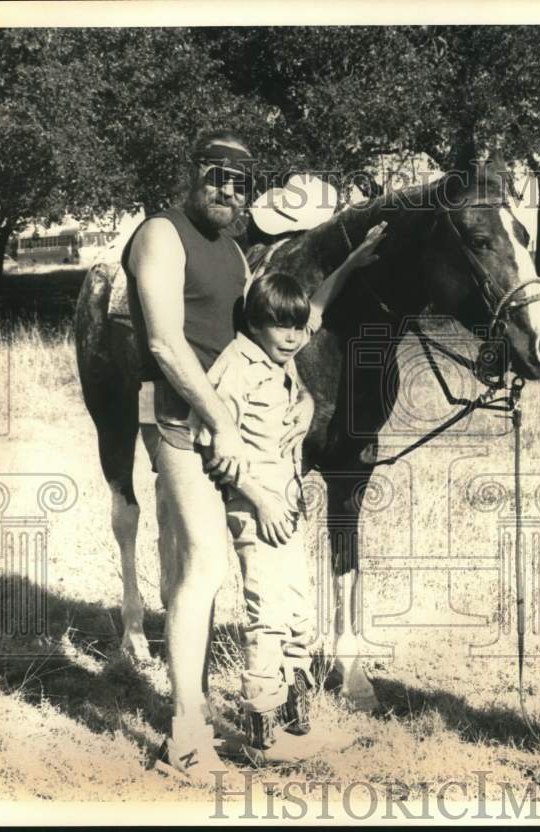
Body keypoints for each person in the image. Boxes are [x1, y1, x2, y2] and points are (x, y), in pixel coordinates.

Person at [189, 231, 385, 768]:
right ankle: (261, 731)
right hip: (258, 513)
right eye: (282, 326)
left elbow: (315, 309)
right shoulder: (233, 368)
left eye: (299, 329)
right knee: (267, 617)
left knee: (299, 614)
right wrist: (261, 499)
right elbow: (209, 443)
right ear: (252, 323)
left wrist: (349, 262)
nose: (296, 337)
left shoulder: (282, 354)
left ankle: (296, 718)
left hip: (288, 508)